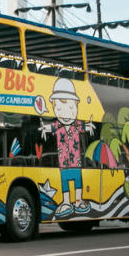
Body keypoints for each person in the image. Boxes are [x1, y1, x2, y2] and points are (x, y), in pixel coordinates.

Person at [39, 78, 95, 217]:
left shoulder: (76, 125)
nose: (64, 113)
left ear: (76, 106)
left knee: (77, 181)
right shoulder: (58, 126)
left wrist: (89, 126)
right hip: (63, 163)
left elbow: (85, 126)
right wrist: (43, 128)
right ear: (53, 109)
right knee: (65, 182)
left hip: (76, 162)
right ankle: (66, 203)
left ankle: (77, 201)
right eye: (58, 109)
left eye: (70, 108)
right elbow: (49, 127)